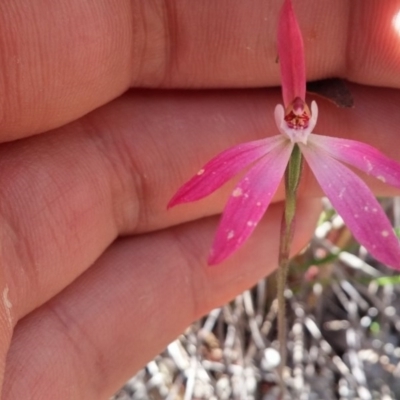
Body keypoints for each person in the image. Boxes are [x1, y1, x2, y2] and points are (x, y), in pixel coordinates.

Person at [1, 1, 400, 398]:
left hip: (312, 155)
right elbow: (208, 180)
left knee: (303, 216)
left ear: (309, 115)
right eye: (293, 111)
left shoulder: (329, 151)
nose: (298, 113)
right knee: (283, 225)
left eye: (302, 111)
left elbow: (384, 170)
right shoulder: (271, 146)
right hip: (279, 155)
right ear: (285, 115)